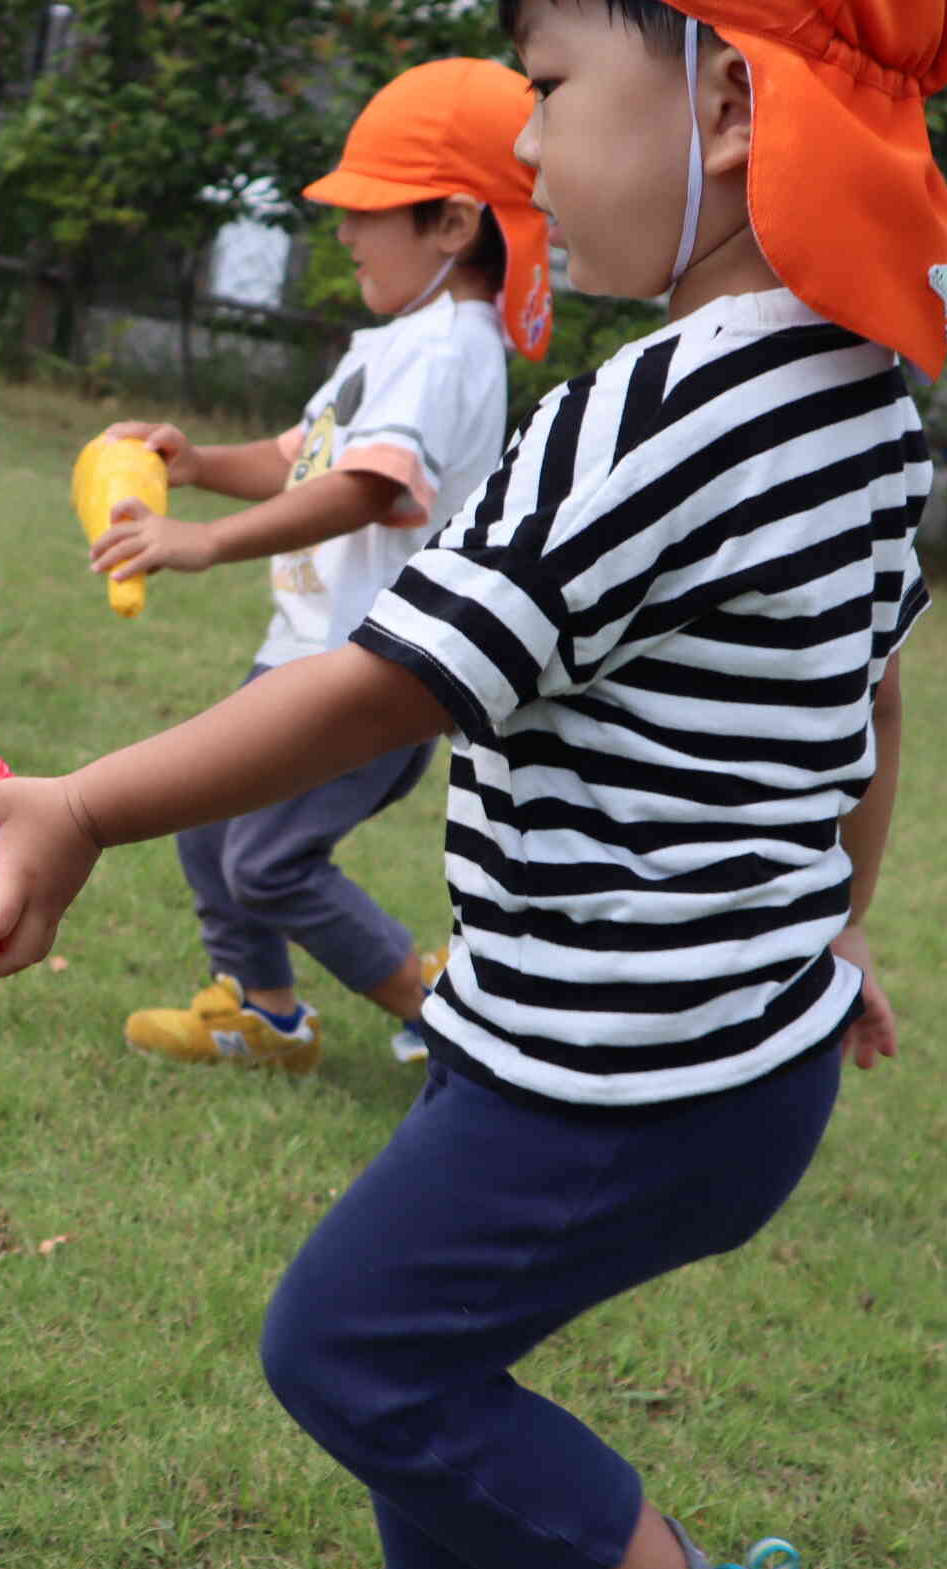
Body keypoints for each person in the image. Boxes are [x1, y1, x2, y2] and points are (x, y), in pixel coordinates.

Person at [0, 0, 947, 1569]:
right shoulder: (869, 409)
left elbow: (387, 679)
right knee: (425, 1407)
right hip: (703, 1047)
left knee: (358, 1356)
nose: (527, 145)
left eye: (551, 90)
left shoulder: (652, 420)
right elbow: (866, 698)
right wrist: (829, 934)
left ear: (728, 105)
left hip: (615, 1070)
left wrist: (82, 808)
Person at [88, 58, 554, 1075]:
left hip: (372, 675)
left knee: (268, 859)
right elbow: (309, 462)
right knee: (208, 827)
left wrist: (202, 543)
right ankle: (267, 1014)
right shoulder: (396, 344)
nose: (343, 232)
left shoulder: (447, 350)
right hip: (306, 655)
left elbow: (368, 489)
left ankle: (451, 1018)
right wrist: (199, 465)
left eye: (368, 210)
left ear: (454, 225)